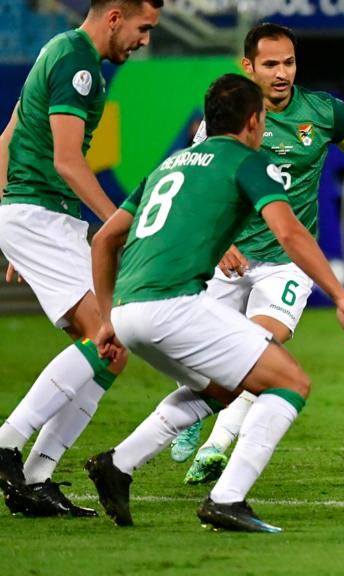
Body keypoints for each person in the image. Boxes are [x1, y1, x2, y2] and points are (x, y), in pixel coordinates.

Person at [85, 73, 344, 532]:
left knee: (219, 388)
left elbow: (103, 240)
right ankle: (227, 498)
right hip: (173, 305)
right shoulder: (245, 161)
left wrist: (105, 320)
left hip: (126, 310)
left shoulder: (170, 165)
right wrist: (341, 296)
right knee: (289, 381)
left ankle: (117, 464)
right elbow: (289, 232)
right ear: (255, 121)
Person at [168, 22, 344, 486]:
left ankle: (216, 446)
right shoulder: (228, 117)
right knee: (200, 357)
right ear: (248, 67)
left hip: (288, 261)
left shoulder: (326, 112)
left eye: (289, 62)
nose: (282, 73)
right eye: (270, 64)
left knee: (257, 349)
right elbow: (198, 180)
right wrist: (219, 241)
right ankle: (190, 415)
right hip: (232, 256)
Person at [0, 0, 162, 517]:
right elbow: (67, 162)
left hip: (40, 218)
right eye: (143, 28)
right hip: (41, 215)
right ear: (114, 16)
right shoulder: (78, 64)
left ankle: (36, 475)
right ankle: (7, 442)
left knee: (111, 351)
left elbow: (6, 139)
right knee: (105, 337)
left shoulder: (62, 52)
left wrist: (10, 228)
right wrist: (120, 224)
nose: (144, 41)